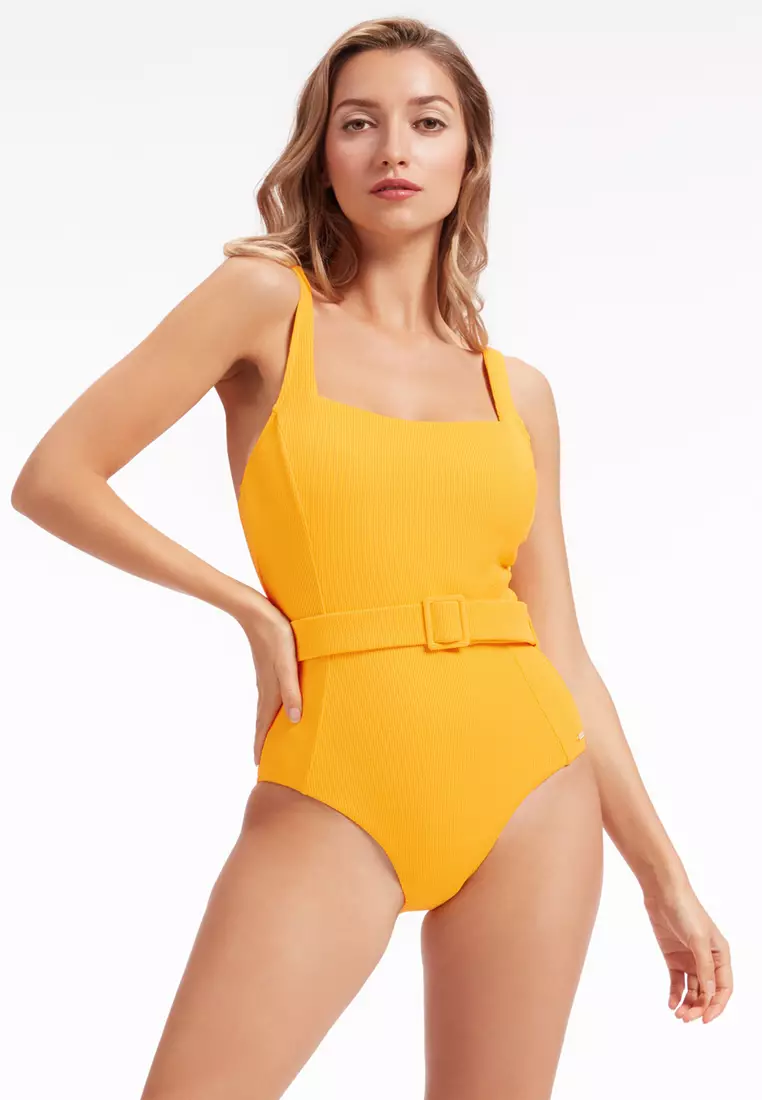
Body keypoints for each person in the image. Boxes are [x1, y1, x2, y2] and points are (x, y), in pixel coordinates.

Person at [11, 15, 732, 1100]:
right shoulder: (264, 305)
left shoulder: (518, 391)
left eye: (426, 122)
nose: (394, 149)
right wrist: (252, 611)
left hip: (534, 784)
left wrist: (664, 877)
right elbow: (55, 476)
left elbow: (563, 649)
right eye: (360, 123)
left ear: (468, 155)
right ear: (323, 152)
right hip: (338, 768)